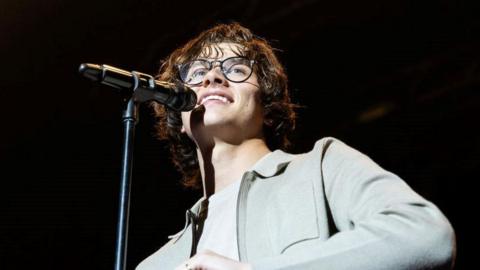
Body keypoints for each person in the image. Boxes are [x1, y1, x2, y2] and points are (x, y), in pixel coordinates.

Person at [136, 23, 456, 270]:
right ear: (176, 114)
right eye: (197, 72)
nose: (214, 77)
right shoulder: (157, 264)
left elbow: (423, 235)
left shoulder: (321, 166)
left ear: (268, 104)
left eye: (235, 69)